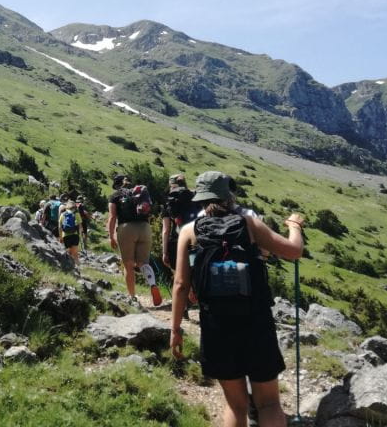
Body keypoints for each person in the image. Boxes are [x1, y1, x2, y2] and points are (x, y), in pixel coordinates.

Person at [170, 171, 304, 427]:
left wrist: (176, 330)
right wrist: (294, 227)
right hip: (256, 320)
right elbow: (293, 251)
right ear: (229, 195)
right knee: (269, 403)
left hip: (216, 324)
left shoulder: (189, 232)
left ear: (200, 197)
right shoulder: (249, 223)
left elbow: (179, 285)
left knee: (235, 404)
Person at [107, 174, 162, 305]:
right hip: (145, 228)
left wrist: (111, 236)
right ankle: (152, 284)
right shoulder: (140, 193)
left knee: (128, 264)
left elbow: (112, 217)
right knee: (143, 262)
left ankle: (132, 297)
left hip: (126, 229)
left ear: (117, 185)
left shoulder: (115, 196)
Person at [162, 173, 197, 269]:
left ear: (171, 185)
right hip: (195, 241)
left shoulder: (170, 201)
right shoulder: (194, 196)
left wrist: (164, 252)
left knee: (179, 274)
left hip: (177, 241)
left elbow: (166, 231)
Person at [58, 198, 82, 263]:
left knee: (69, 253)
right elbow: (80, 226)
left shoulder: (62, 214)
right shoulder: (76, 214)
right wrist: (80, 235)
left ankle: (71, 267)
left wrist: (60, 237)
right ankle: (78, 267)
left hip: (65, 235)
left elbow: (60, 227)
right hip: (75, 235)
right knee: (75, 254)